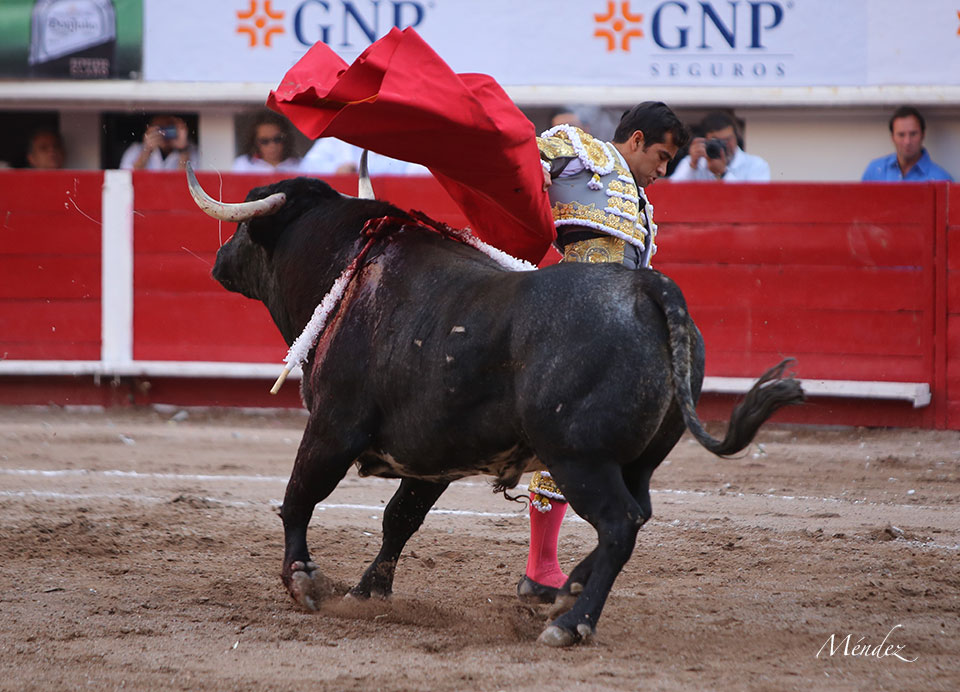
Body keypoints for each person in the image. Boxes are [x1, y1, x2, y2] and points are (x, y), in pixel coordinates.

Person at [518, 101, 689, 603]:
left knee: (588, 442)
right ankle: (542, 565)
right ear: (635, 139)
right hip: (569, 319)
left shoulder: (640, 201)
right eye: (660, 157)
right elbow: (517, 161)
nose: (662, 170)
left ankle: (544, 568)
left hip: (606, 332)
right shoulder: (577, 147)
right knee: (567, 439)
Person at [669, 111, 769, 182]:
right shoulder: (694, 162)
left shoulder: (756, 165)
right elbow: (672, 191)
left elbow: (754, 198)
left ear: (737, 138)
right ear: (705, 140)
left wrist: (723, 173)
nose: (724, 145)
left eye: (728, 140)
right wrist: (692, 166)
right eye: (717, 141)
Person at [861, 106, 953, 182]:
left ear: (923, 135)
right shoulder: (875, 172)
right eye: (901, 135)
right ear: (892, 137)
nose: (907, 141)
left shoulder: (941, 179)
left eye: (913, 134)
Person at [299, 137, 428, 176]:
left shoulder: (405, 143)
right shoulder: (336, 141)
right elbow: (306, 167)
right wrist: (335, 169)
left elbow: (420, 172)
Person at [119, 115, 197, 170]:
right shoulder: (135, 149)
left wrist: (183, 149)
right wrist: (147, 150)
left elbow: (190, 184)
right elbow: (127, 179)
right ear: (149, 130)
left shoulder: (191, 151)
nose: (163, 133)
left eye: (168, 128)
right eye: (160, 129)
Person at [232, 111, 301, 173]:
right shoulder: (244, 165)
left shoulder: (300, 165)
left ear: (286, 139)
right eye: (264, 141)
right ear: (255, 142)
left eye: (277, 139)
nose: (272, 145)